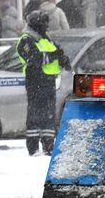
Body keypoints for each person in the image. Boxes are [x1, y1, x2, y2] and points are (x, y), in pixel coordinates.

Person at [16, 8, 67, 155]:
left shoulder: (45, 38)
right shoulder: (26, 40)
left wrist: (62, 58)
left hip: (49, 81)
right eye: (44, 23)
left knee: (48, 114)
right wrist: (55, 56)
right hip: (35, 79)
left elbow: (57, 53)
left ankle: (48, 146)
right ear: (36, 24)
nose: (46, 26)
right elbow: (36, 58)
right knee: (35, 113)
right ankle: (33, 147)